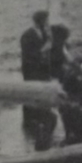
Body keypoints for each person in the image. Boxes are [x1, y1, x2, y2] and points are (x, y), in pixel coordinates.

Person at [19, 10, 57, 148]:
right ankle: (31, 122)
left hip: (42, 71)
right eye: (46, 20)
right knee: (31, 95)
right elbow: (29, 56)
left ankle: (41, 116)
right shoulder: (27, 35)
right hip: (32, 71)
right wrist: (43, 49)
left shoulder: (44, 33)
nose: (47, 23)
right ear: (40, 21)